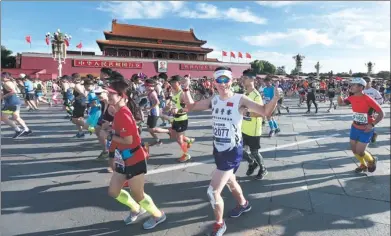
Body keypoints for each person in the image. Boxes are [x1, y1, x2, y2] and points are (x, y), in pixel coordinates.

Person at [181, 66, 279, 235]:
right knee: (231, 181)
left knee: (212, 191)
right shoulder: (214, 100)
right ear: (215, 83)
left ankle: (220, 224)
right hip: (218, 149)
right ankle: (243, 204)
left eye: (226, 79)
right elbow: (190, 106)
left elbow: (264, 111)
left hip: (232, 151)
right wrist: (186, 88)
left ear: (232, 81)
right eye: (219, 80)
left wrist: (276, 98)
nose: (223, 83)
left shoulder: (241, 99)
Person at [102, 73, 166, 229]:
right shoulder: (117, 112)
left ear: (122, 96)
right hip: (122, 159)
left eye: (112, 94)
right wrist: (112, 157)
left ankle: (158, 215)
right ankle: (137, 208)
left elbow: (128, 141)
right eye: (108, 93)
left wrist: (110, 134)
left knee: (139, 194)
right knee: (113, 192)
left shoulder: (123, 114)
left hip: (134, 159)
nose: (108, 96)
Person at [337, 77, 384, 173]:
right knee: (354, 150)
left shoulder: (368, 99)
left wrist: (372, 124)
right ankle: (363, 165)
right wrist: (339, 96)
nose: (351, 86)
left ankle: (371, 160)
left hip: (366, 129)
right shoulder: (351, 97)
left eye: (354, 85)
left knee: (360, 151)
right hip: (354, 127)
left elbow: (382, 113)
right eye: (352, 84)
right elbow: (341, 104)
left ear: (361, 87)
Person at [241, 69, 268, 180]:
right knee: (239, 151)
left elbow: (261, 114)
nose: (243, 80)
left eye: (245, 78)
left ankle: (263, 168)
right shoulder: (245, 93)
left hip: (253, 130)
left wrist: (246, 112)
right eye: (242, 78)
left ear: (252, 79)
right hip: (243, 128)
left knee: (254, 152)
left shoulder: (256, 96)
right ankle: (252, 162)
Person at [1, 72, 32, 138]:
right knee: (16, 117)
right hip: (15, 102)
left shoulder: (7, 83)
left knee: (3, 118)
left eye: (1, 76)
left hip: (11, 103)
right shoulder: (10, 82)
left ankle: (18, 130)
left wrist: (3, 96)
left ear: (5, 77)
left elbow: (13, 91)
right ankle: (27, 129)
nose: (0, 77)